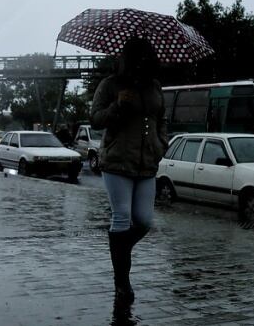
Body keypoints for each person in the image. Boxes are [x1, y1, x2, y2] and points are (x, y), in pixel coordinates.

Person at [90, 36, 167, 308]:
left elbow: (161, 119)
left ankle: (120, 249)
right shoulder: (110, 85)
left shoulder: (154, 86)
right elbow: (95, 119)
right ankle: (122, 281)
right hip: (117, 161)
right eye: (137, 58)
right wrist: (117, 105)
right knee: (121, 217)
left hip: (147, 163)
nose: (142, 63)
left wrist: (162, 143)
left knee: (144, 221)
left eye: (147, 58)